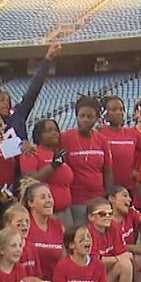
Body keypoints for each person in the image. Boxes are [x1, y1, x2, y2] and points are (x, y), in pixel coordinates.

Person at [0, 41, 61, 141]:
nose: (6, 104)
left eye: (8, 100)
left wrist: (47, 60)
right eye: (2, 100)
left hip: (23, 156)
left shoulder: (18, 115)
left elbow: (32, 92)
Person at [59, 96, 114, 224]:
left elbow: (108, 170)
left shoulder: (102, 140)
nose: (85, 120)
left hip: (98, 200)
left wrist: (107, 198)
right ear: (76, 116)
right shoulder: (65, 138)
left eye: (90, 116)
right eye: (81, 116)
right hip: (75, 200)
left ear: (96, 118)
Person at [84, 198, 140, 282]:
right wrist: (116, 259)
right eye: (103, 214)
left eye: (110, 213)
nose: (108, 217)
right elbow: (93, 261)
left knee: (129, 262)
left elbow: (122, 252)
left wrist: (120, 258)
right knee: (124, 263)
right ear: (91, 217)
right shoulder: (87, 233)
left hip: (105, 277)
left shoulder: (113, 227)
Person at [21, 119, 74, 226]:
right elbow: (30, 181)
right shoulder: (32, 152)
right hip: (45, 213)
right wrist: (54, 165)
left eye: (56, 130)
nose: (54, 133)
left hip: (65, 212)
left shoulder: (58, 154)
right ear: (39, 135)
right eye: (48, 130)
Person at [23, 183, 65, 280]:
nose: (48, 201)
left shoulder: (58, 226)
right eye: (43, 197)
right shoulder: (25, 224)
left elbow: (64, 261)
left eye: (50, 197)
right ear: (30, 202)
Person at [100, 96, 139, 193]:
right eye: (114, 109)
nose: (119, 112)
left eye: (121, 109)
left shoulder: (132, 133)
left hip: (129, 190)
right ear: (104, 113)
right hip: (108, 190)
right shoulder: (99, 135)